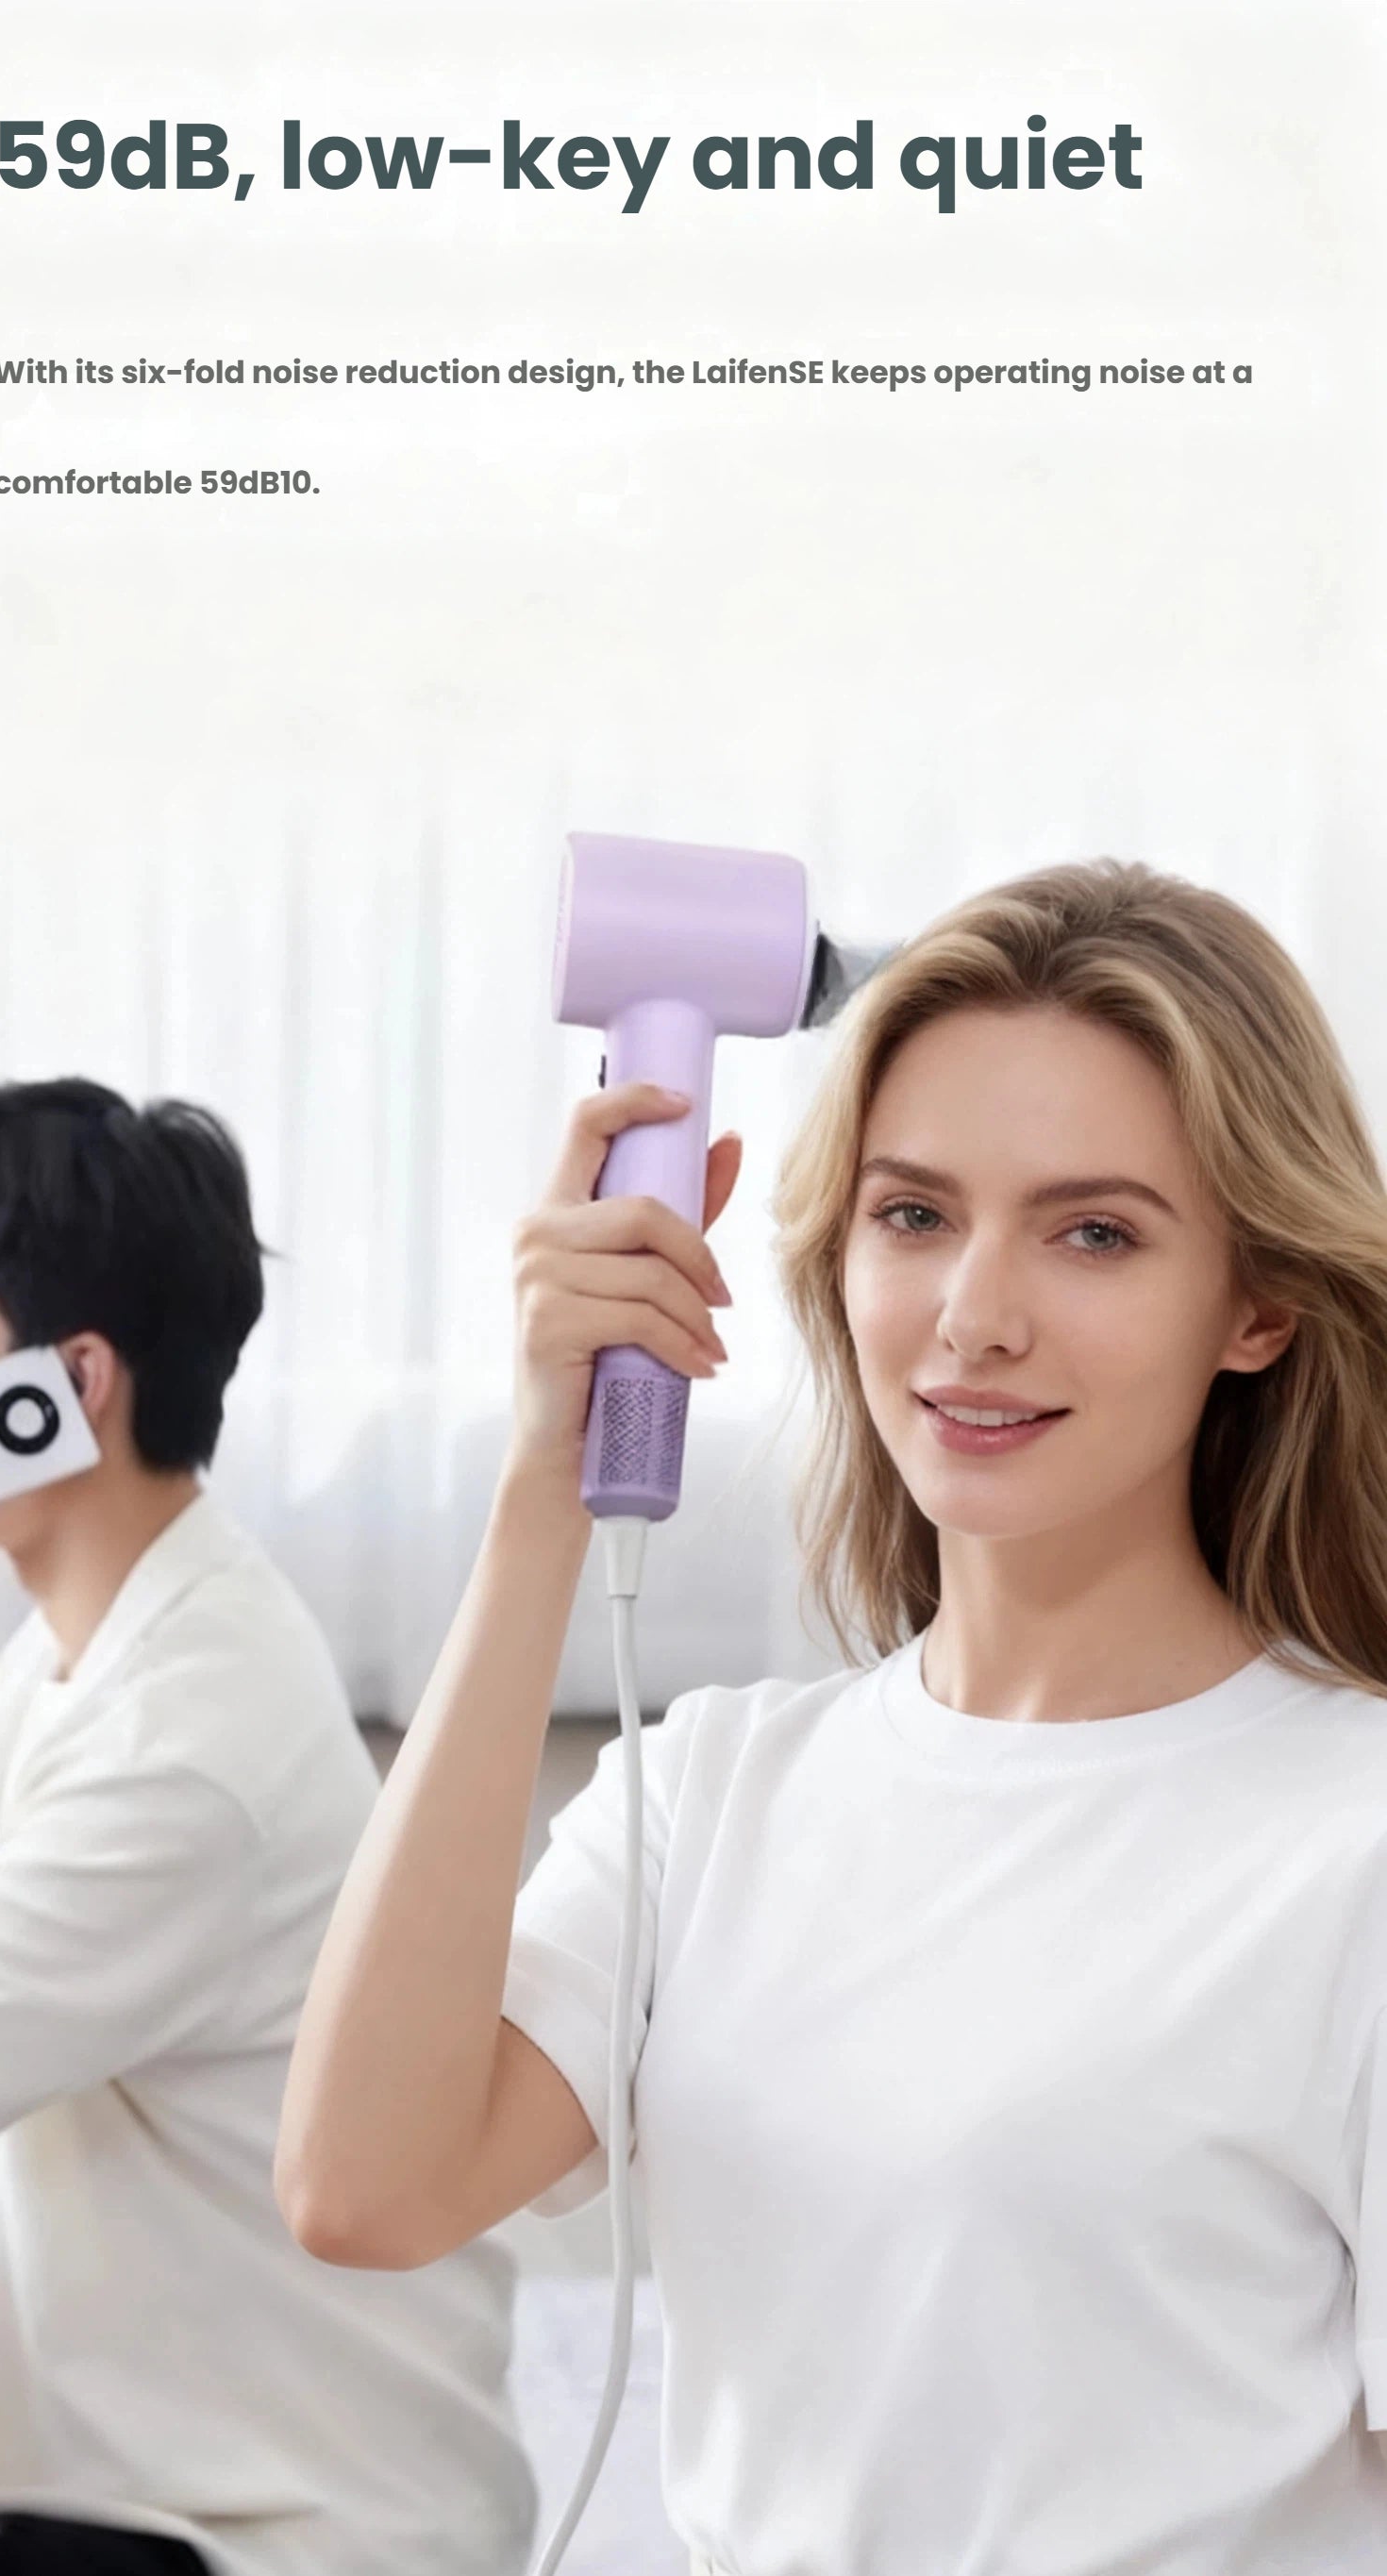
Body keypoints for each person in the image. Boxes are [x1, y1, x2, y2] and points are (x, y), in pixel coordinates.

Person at [276, 859, 1387, 2575]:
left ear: (1259, 1302)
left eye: (1094, 1229)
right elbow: (363, 2186)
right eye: (915, 1214)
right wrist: (541, 1494)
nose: (975, 1317)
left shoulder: (1350, 1842)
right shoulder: (712, 1791)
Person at [0, 1079, 536, 2576]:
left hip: (272, 2539)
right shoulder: (103, 1643)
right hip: (122, 2461)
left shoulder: (185, 1743)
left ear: (64, 1387)